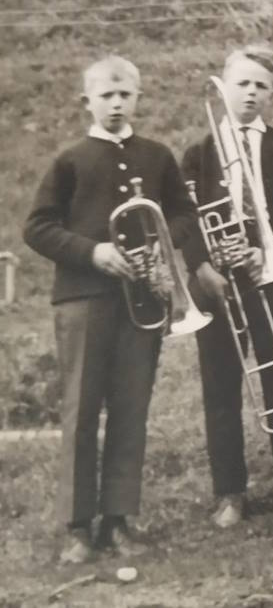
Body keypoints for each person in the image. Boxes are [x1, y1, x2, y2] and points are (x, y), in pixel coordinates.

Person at [23, 55, 197, 563]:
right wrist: (92, 252)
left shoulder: (157, 155)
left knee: (131, 409)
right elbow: (36, 227)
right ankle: (78, 526)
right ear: (88, 102)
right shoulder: (71, 159)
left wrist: (162, 243)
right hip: (83, 301)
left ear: (138, 97)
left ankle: (118, 520)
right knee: (81, 410)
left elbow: (184, 215)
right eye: (106, 96)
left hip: (142, 301)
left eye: (125, 94)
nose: (116, 103)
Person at [181, 46, 273, 529]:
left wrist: (268, 247)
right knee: (220, 384)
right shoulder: (199, 153)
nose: (251, 93)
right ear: (224, 87)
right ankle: (230, 491)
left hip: (268, 274)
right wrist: (203, 265)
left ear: (271, 93)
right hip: (217, 282)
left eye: (261, 85)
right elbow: (185, 218)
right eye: (242, 83)